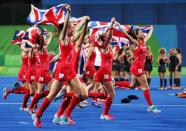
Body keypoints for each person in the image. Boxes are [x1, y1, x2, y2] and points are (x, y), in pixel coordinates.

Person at [33, 5, 89, 127]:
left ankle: (64, 116)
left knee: (80, 94)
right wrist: (68, 12)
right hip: (62, 70)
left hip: (70, 71)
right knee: (51, 95)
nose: (73, 28)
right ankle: (37, 117)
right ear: (65, 28)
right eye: (71, 27)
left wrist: (84, 22)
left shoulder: (70, 37)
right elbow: (65, 29)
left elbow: (76, 29)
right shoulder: (63, 38)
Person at [115, 23, 161, 113]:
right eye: (140, 32)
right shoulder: (136, 43)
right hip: (137, 68)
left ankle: (115, 83)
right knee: (146, 87)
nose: (143, 33)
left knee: (132, 85)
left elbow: (149, 34)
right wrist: (120, 27)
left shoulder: (144, 42)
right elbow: (128, 35)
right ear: (137, 35)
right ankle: (151, 106)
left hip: (137, 67)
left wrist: (151, 28)